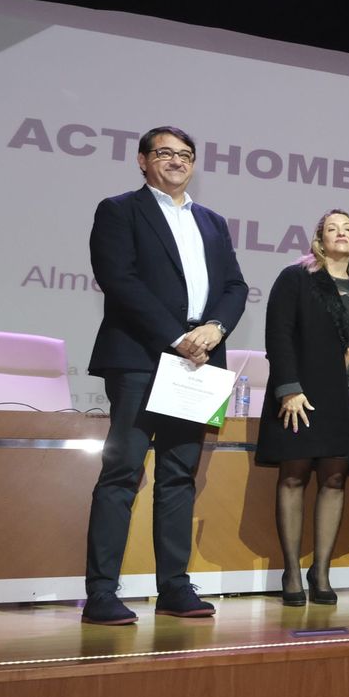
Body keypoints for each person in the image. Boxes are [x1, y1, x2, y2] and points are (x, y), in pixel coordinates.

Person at [82, 126, 247, 625]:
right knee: (122, 473)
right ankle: (101, 593)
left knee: (178, 476)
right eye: (165, 153)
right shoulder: (119, 210)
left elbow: (235, 286)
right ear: (142, 160)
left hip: (200, 362)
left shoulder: (212, 221)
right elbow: (119, 280)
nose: (176, 161)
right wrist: (177, 338)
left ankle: (174, 586)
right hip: (141, 357)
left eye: (185, 155)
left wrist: (215, 328)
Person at [255, 209, 349, 607]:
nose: (341, 234)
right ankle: (291, 571)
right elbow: (279, 333)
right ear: (318, 239)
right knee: (294, 477)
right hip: (303, 397)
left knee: (335, 480)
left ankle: (320, 571)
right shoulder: (297, 278)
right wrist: (288, 389)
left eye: (348, 229)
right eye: (332, 229)